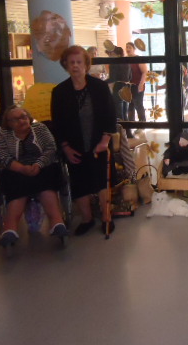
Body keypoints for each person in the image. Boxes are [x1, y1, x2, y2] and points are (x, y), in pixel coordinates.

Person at [51, 45, 117, 236]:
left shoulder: (99, 87)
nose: (75, 66)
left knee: (102, 181)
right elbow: (57, 122)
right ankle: (87, 219)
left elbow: (110, 115)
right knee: (79, 182)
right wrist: (65, 147)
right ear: (65, 65)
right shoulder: (59, 91)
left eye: (79, 62)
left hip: (100, 143)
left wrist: (105, 140)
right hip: (74, 145)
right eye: (71, 62)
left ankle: (106, 217)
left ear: (86, 64)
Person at [0, 105, 68, 248]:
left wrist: (38, 165)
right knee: (15, 184)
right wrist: (21, 168)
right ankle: (10, 229)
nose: (21, 121)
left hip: (43, 166)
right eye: (16, 119)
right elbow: (3, 155)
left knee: (47, 182)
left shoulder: (40, 128)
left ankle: (57, 222)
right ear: (8, 123)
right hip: (16, 169)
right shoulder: (4, 134)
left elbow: (51, 149)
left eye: (23, 116)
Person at [106, 46, 131, 121]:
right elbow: (130, 76)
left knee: (119, 113)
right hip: (127, 86)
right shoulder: (127, 62)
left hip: (118, 87)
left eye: (111, 53)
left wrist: (101, 82)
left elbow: (112, 78)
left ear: (117, 54)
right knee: (125, 112)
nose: (110, 56)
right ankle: (127, 128)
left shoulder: (114, 63)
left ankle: (121, 128)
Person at [125, 42, 148, 121]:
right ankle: (131, 123)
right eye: (126, 47)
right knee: (130, 105)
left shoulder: (138, 59)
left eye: (129, 47)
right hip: (128, 86)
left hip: (138, 84)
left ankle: (142, 123)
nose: (128, 49)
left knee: (138, 104)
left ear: (134, 49)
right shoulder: (125, 59)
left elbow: (145, 72)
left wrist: (141, 84)